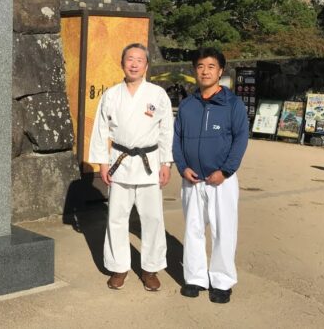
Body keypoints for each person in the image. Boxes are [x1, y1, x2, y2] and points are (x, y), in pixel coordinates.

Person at [88, 43, 174, 291]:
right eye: (130, 59)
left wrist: (166, 163)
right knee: (116, 217)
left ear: (146, 65)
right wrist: (102, 162)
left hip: (150, 163)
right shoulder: (112, 94)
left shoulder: (157, 94)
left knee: (153, 218)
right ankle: (118, 267)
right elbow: (100, 130)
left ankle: (150, 268)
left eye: (139, 60)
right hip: (120, 162)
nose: (134, 64)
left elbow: (166, 131)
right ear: (122, 63)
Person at [172, 47, 249, 304]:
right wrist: (182, 167)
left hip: (221, 180)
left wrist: (226, 170)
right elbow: (177, 139)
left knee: (223, 230)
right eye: (201, 66)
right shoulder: (187, 105)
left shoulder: (232, 105)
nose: (205, 71)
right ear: (195, 70)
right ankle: (194, 278)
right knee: (193, 229)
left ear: (220, 71)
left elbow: (240, 140)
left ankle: (222, 280)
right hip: (191, 179)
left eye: (211, 66)